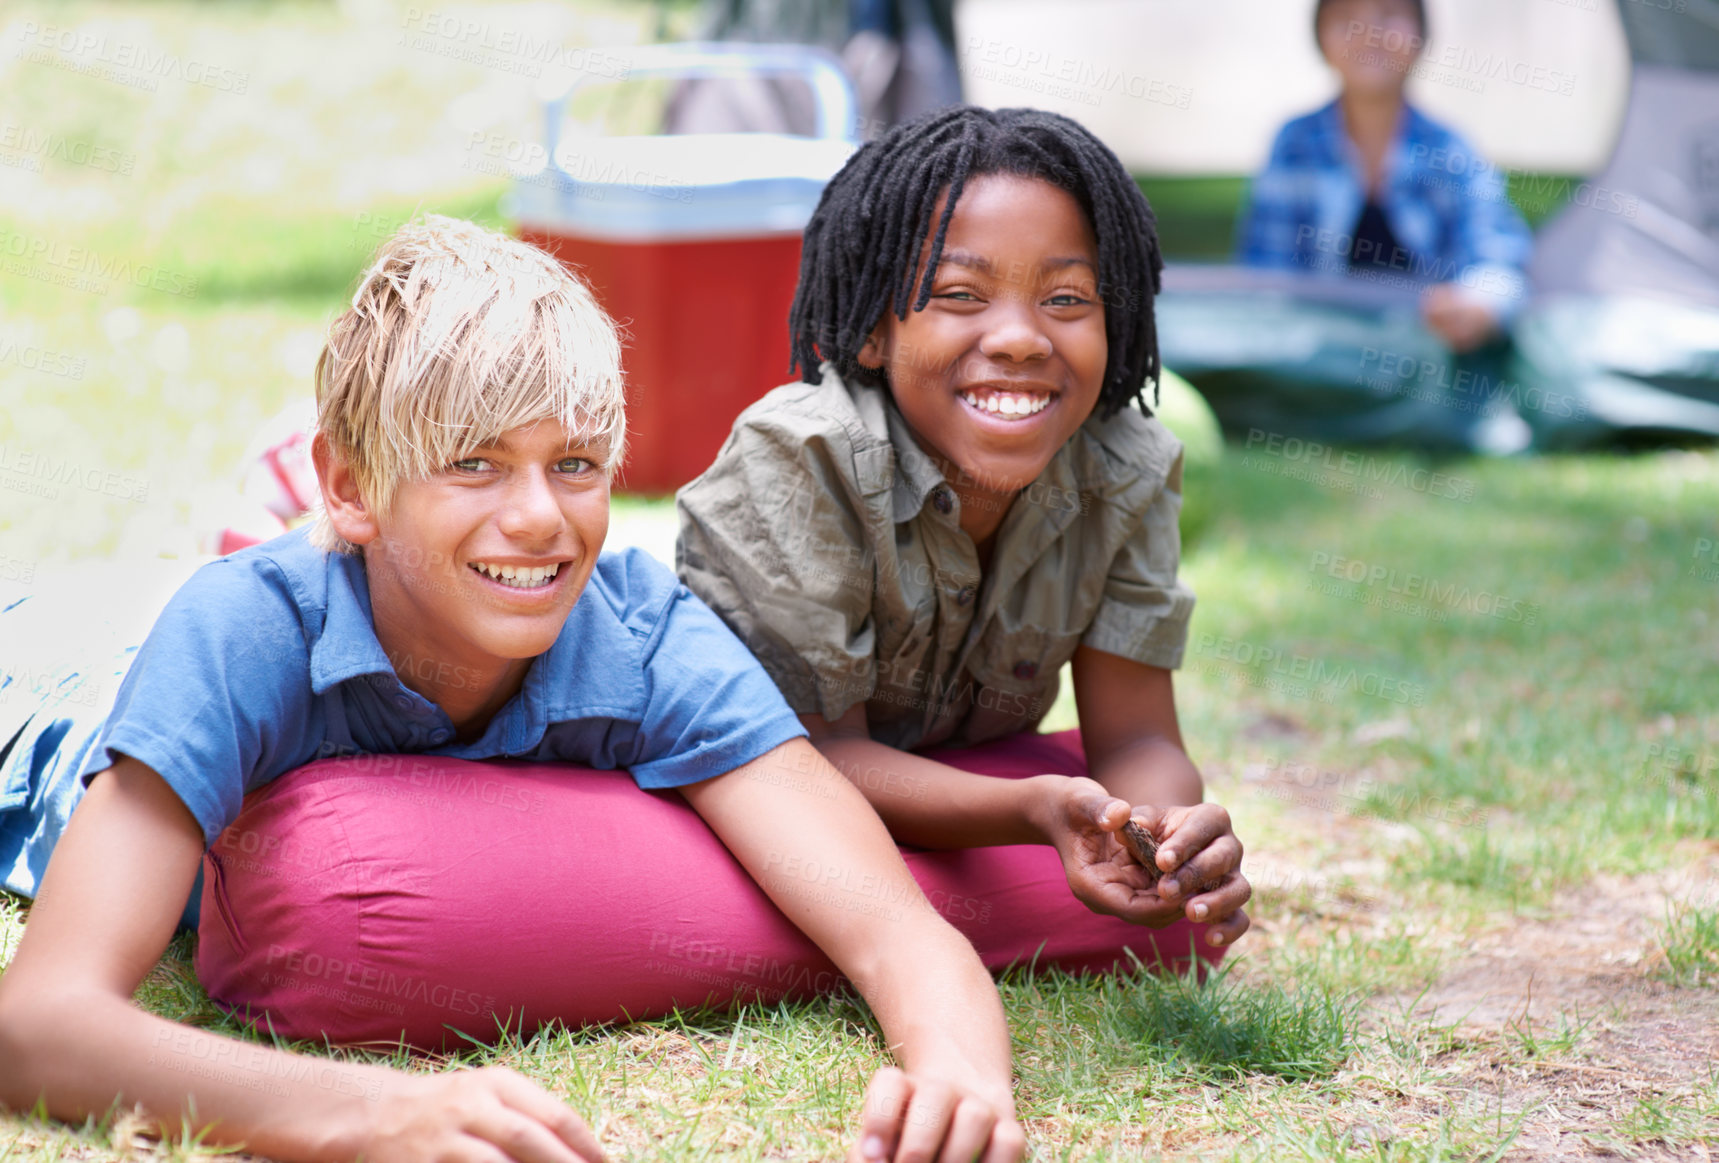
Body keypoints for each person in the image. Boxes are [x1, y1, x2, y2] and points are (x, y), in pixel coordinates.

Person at [0, 217, 1026, 1163]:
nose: (540, 517)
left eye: (574, 462)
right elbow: (40, 1022)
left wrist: (961, 1072)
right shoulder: (243, 629)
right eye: (475, 463)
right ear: (354, 487)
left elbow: (891, 925)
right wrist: (376, 1112)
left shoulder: (643, 633)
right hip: (52, 694)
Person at [676, 106, 1253, 970]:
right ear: (875, 328)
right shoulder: (803, 457)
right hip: (763, 768)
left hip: (947, 765)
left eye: (1066, 298)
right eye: (958, 295)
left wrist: (1161, 838)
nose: (1020, 338)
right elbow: (818, 759)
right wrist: (1028, 809)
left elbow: (1136, 736)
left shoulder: (1125, 466)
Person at [1238, 0, 1534, 355]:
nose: (1370, 35)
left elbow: (1498, 257)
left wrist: (1478, 305)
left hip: (1428, 359)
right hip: (1318, 360)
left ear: (1420, 35)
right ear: (1321, 37)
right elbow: (1265, 275)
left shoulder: (1449, 150)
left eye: (1390, 14)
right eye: (1347, 19)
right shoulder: (1295, 145)